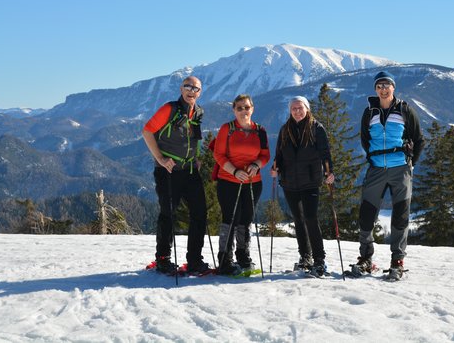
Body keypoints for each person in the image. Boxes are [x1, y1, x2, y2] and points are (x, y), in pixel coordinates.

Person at [352, 70, 424, 280]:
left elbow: (419, 139)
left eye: (387, 85)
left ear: (393, 88)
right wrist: (374, 158)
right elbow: (365, 139)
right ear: (375, 89)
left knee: (400, 217)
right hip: (376, 169)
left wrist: (411, 164)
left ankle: (397, 261)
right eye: (379, 86)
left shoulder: (405, 110)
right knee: (366, 215)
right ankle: (366, 258)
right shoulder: (369, 113)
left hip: (400, 169)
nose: (383, 89)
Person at [142, 76, 209, 274]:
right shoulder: (169, 109)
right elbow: (147, 132)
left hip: (190, 171)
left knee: (200, 214)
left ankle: (194, 260)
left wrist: (196, 158)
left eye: (196, 88)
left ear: (200, 92)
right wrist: (160, 159)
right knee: (168, 215)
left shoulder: (198, 112)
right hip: (168, 172)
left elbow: (193, 139)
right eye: (188, 87)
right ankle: (163, 259)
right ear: (181, 89)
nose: (191, 91)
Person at [271, 96, 335, 276]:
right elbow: (279, 155)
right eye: (293, 108)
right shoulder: (285, 130)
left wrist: (329, 172)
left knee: (310, 218)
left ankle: (319, 259)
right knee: (298, 220)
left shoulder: (316, 128)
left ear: (307, 109)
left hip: (310, 181)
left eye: (300, 108)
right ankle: (305, 257)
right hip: (290, 182)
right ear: (290, 111)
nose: (297, 111)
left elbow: (325, 153)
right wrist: (275, 168)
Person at [213, 94, 270, 274]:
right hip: (229, 181)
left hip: (253, 182)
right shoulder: (226, 129)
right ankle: (225, 259)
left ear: (252, 109)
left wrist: (256, 165)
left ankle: (243, 256)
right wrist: (235, 171)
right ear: (234, 110)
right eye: (239, 108)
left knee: (246, 220)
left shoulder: (260, 131)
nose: (243, 111)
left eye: (246, 107)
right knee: (230, 219)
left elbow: (265, 155)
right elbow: (218, 155)